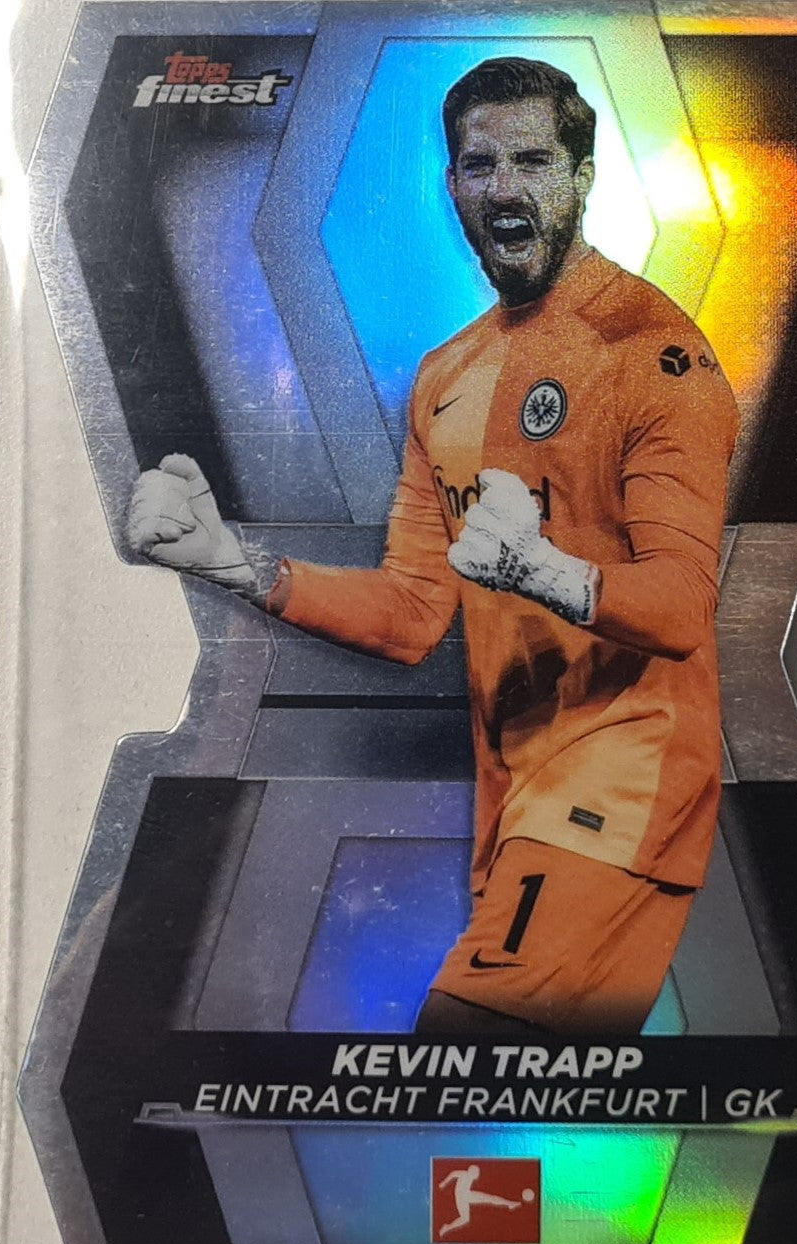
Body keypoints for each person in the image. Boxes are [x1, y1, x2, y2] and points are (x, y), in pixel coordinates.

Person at [126, 57, 738, 1036]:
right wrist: (235, 565)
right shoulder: (448, 374)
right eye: (479, 165)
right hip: (515, 808)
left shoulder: (654, 356)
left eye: (532, 161)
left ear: (583, 178)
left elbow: (680, 605)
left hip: (620, 787)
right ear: (451, 185)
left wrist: (540, 569)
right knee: (521, 1097)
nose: (504, 188)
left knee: (456, 1057)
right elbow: (413, 613)